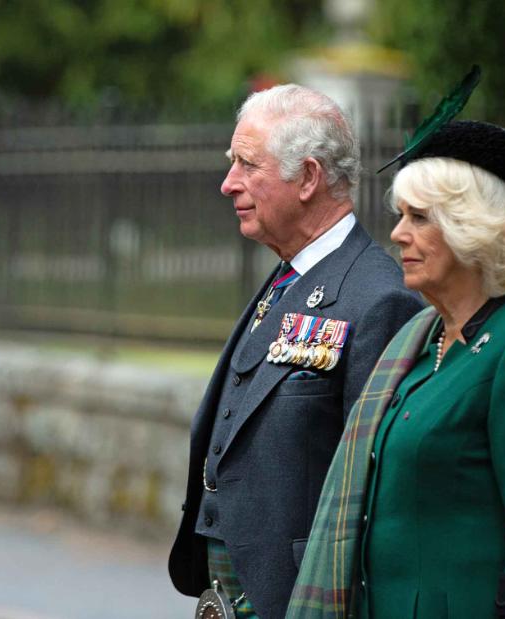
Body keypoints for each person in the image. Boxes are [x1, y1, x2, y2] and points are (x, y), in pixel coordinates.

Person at [288, 120, 505, 619]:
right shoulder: (419, 342)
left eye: (420, 217)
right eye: (402, 216)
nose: (398, 233)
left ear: (475, 227)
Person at [167, 84, 423, 619]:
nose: (227, 183)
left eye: (247, 164)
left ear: (307, 177)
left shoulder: (378, 298)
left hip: (302, 595)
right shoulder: (290, 275)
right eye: (230, 162)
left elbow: (376, 494)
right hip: (232, 586)